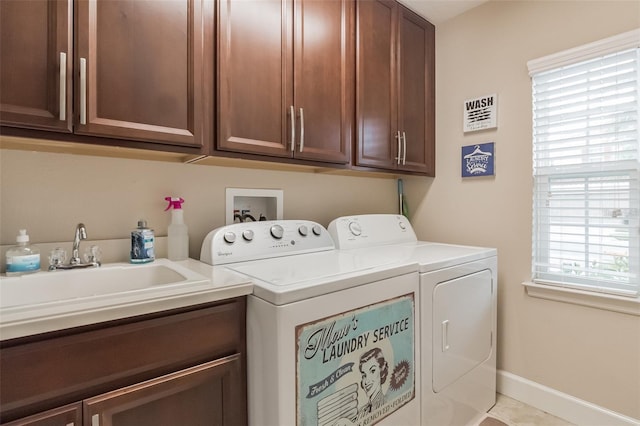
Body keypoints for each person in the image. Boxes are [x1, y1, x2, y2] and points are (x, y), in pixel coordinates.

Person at [356, 347, 388, 418]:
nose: (366, 381)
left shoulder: (386, 403)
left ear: (381, 371)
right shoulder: (361, 411)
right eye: (364, 375)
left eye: (372, 371)